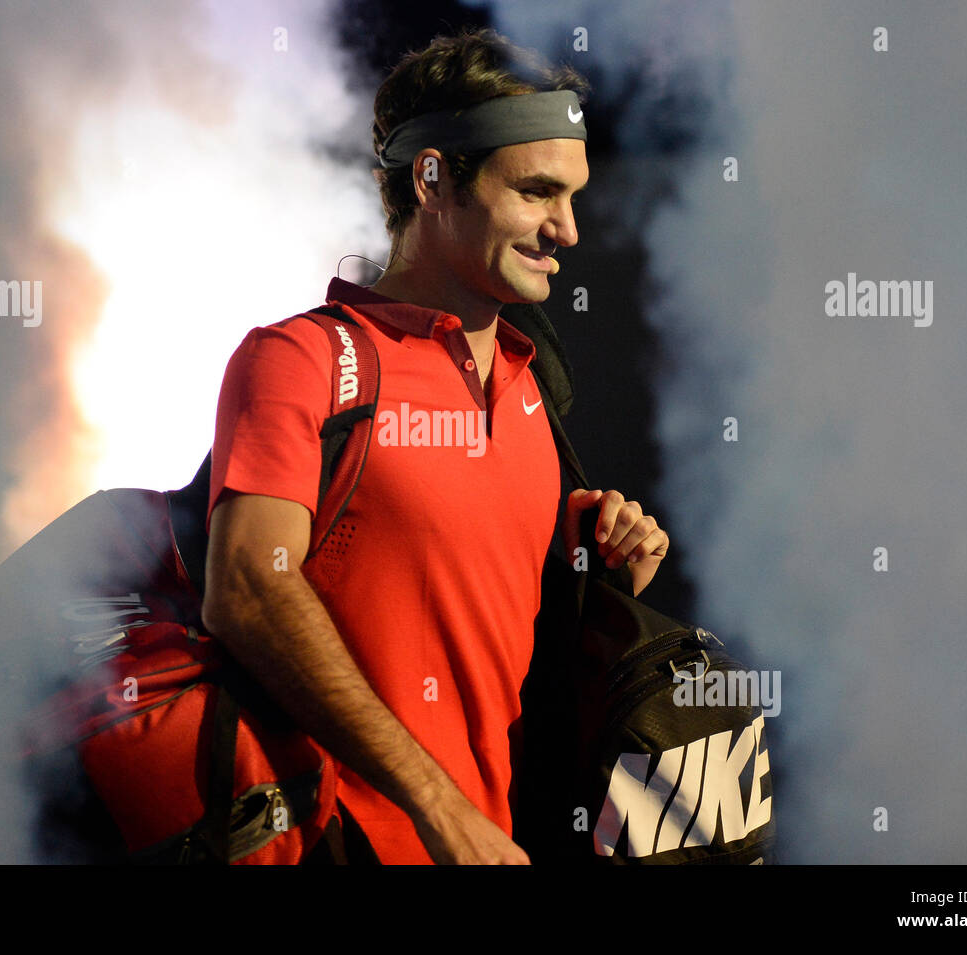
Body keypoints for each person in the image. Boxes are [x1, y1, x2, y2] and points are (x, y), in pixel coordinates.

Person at [201, 27, 669, 865]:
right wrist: (437, 809)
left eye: (574, 197)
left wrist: (605, 575)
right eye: (536, 193)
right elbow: (244, 589)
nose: (567, 230)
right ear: (432, 178)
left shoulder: (533, 390)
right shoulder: (302, 359)